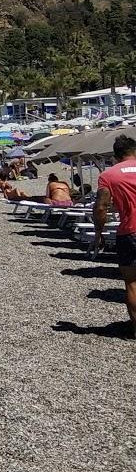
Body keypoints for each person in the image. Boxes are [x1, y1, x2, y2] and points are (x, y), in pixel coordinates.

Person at [93, 134, 136, 336]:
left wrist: (99, 232)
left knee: (132, 283)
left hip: (129, 232)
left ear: (116, 155)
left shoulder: (109, 176)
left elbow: (101, 207)